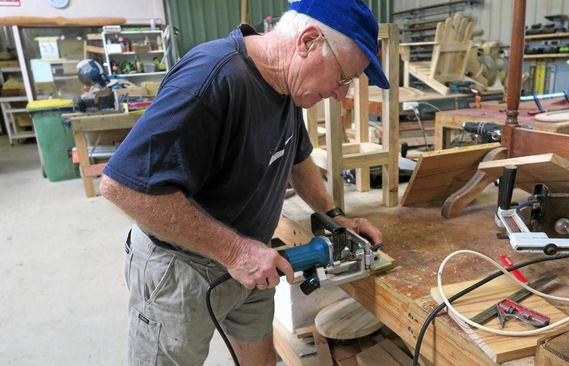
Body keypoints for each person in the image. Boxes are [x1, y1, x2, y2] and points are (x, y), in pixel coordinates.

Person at [100, 0, 389, 365]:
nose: (341, 93)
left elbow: (297, 158)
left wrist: (334, 216)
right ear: (308, 41)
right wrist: (235, 253)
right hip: (181, 268)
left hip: (252, 259)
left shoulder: (286, 87)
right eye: (344, 77)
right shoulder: (211, 79)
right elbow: (122, 186)